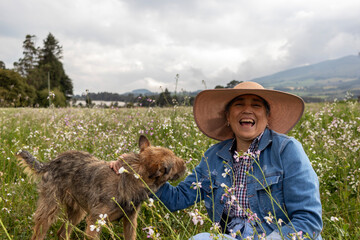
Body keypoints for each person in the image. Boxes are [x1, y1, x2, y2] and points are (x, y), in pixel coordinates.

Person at [110, 81, 323, 240]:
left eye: (256, 105)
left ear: (267, 119)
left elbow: (308, 222)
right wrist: (139, 172)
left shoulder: (287, 150)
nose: (247, 109)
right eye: (239, 104)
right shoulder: (214, 156)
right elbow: (179, 198)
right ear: (228, 118)